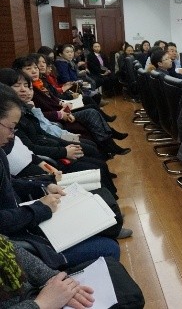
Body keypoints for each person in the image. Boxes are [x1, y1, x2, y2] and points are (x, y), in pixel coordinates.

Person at [0, 84, 120, 269]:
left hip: (24, 219)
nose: (12, 136)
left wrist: (42, 186)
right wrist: (38, 209)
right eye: (11, 128)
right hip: (18, 240)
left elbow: (9, 184)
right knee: (108, 247)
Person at [0, 235, 145, 309]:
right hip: (35, 302)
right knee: (109, 248)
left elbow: (13, 249)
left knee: (123, 291)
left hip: (33, 294)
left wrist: (54, 280)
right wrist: (41, 304)